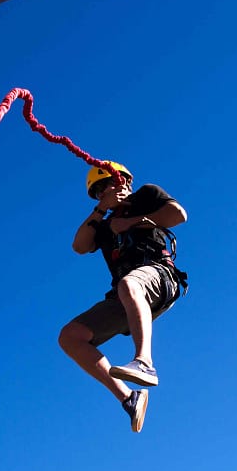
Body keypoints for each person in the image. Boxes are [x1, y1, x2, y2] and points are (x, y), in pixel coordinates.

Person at [58, 161, 188, 433]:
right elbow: (79, 246)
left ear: (124, 180)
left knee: (129, 285)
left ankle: (145, 362)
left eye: (108, 184)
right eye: (99, 191)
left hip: (159, 275)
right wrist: (101, 210)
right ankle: (129, 398)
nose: (106, 191)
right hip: (125, 296)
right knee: (70, 336)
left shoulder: (145, 196)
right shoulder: (103, 224)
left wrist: (131, 221)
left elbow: (178, 215)